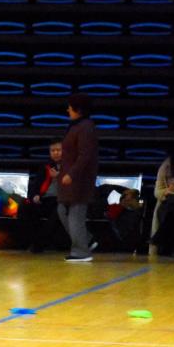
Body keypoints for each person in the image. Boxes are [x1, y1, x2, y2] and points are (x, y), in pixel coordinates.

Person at [58, 93, 99, 262]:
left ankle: (81, 252)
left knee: (76, 214)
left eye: (70, 107)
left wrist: (72, 174)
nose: (67, 110)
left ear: (78, 109)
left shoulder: (85, 127)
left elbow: (85, 155)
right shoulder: (76, 126)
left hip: (79, 180)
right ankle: (86, 240)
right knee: (62, 210)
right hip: (70, 179)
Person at [22, 138, 62, 253]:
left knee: (58, 212)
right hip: (45, 199)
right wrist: (35, 195)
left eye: (58, 150)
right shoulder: (45, 167)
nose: (56, 153)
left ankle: (39, 244)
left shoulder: (70, 167)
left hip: (61, 200)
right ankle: (28, 241)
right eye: (53, 151)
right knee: (26, 208)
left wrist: (59, 177)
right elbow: (36, 185)